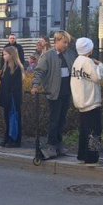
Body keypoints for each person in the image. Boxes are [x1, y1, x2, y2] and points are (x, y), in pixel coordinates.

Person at [30, 30, 77, 158]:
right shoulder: (47, 56)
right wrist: (35, 85)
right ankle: (52, 144)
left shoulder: (69, 54)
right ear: (57, 41)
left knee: (62, 119)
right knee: (54, 119)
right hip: (54, 92)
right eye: (64, 42)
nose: (66, 45)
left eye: (67, 43)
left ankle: (59, 143)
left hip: (66, 91)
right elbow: (39, 71)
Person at [71, 37, 103, 166]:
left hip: (81, 101)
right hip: (91, 101)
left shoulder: (77, 61)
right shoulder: (88, 62)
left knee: (84, 130)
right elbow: (98, 77)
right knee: (94, 131)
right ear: (89, 49)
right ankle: (92, 158)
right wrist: (100, 65)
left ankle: (82, 155)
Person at [0, 46, 24, 148]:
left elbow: (16, 86)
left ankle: (15, 139)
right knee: (7, 119)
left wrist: (11, 96)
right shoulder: (6, 67)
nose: (3, 56)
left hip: (12, 98)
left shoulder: (16, 68)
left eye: (5, 54)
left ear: (11, 55)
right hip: (5, 97)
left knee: (14, 118)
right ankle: (8, 137)